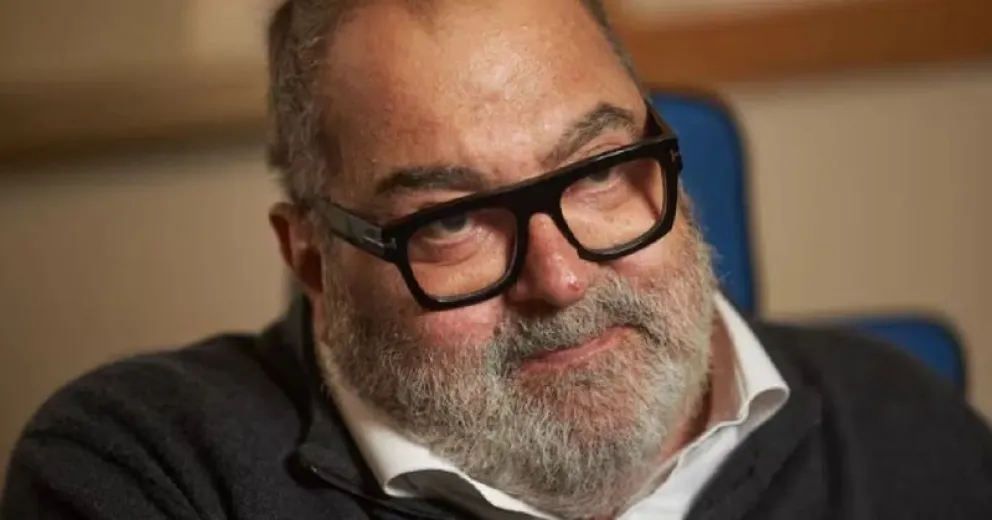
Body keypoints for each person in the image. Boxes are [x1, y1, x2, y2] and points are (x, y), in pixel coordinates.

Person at [3, 0, 992, 518]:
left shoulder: (906, 425)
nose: (558, 279)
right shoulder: (148, 473)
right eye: (452, 221)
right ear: (313, 262)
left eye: (598, 170)